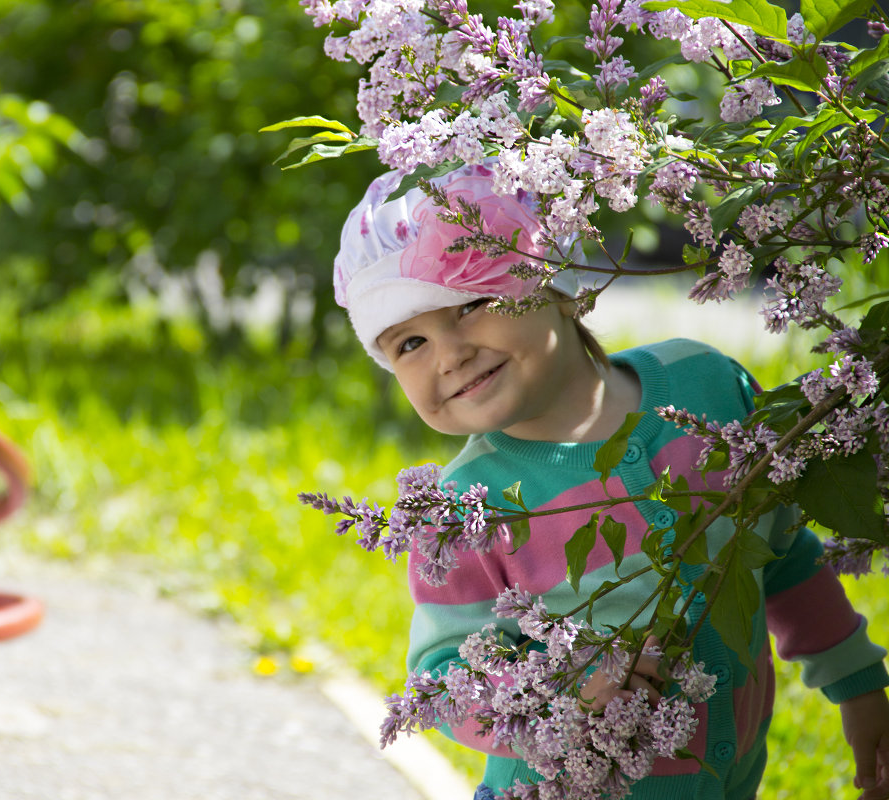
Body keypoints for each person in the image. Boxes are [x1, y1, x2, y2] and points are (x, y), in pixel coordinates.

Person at [332, 163, 889, 799]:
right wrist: (559, 693)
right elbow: (444, 676)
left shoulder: (706, 387)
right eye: (409, 344)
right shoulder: (463, 510)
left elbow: (782, 553)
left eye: (474, 303)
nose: (449, 354)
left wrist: (859, 686)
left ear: (560, 282)